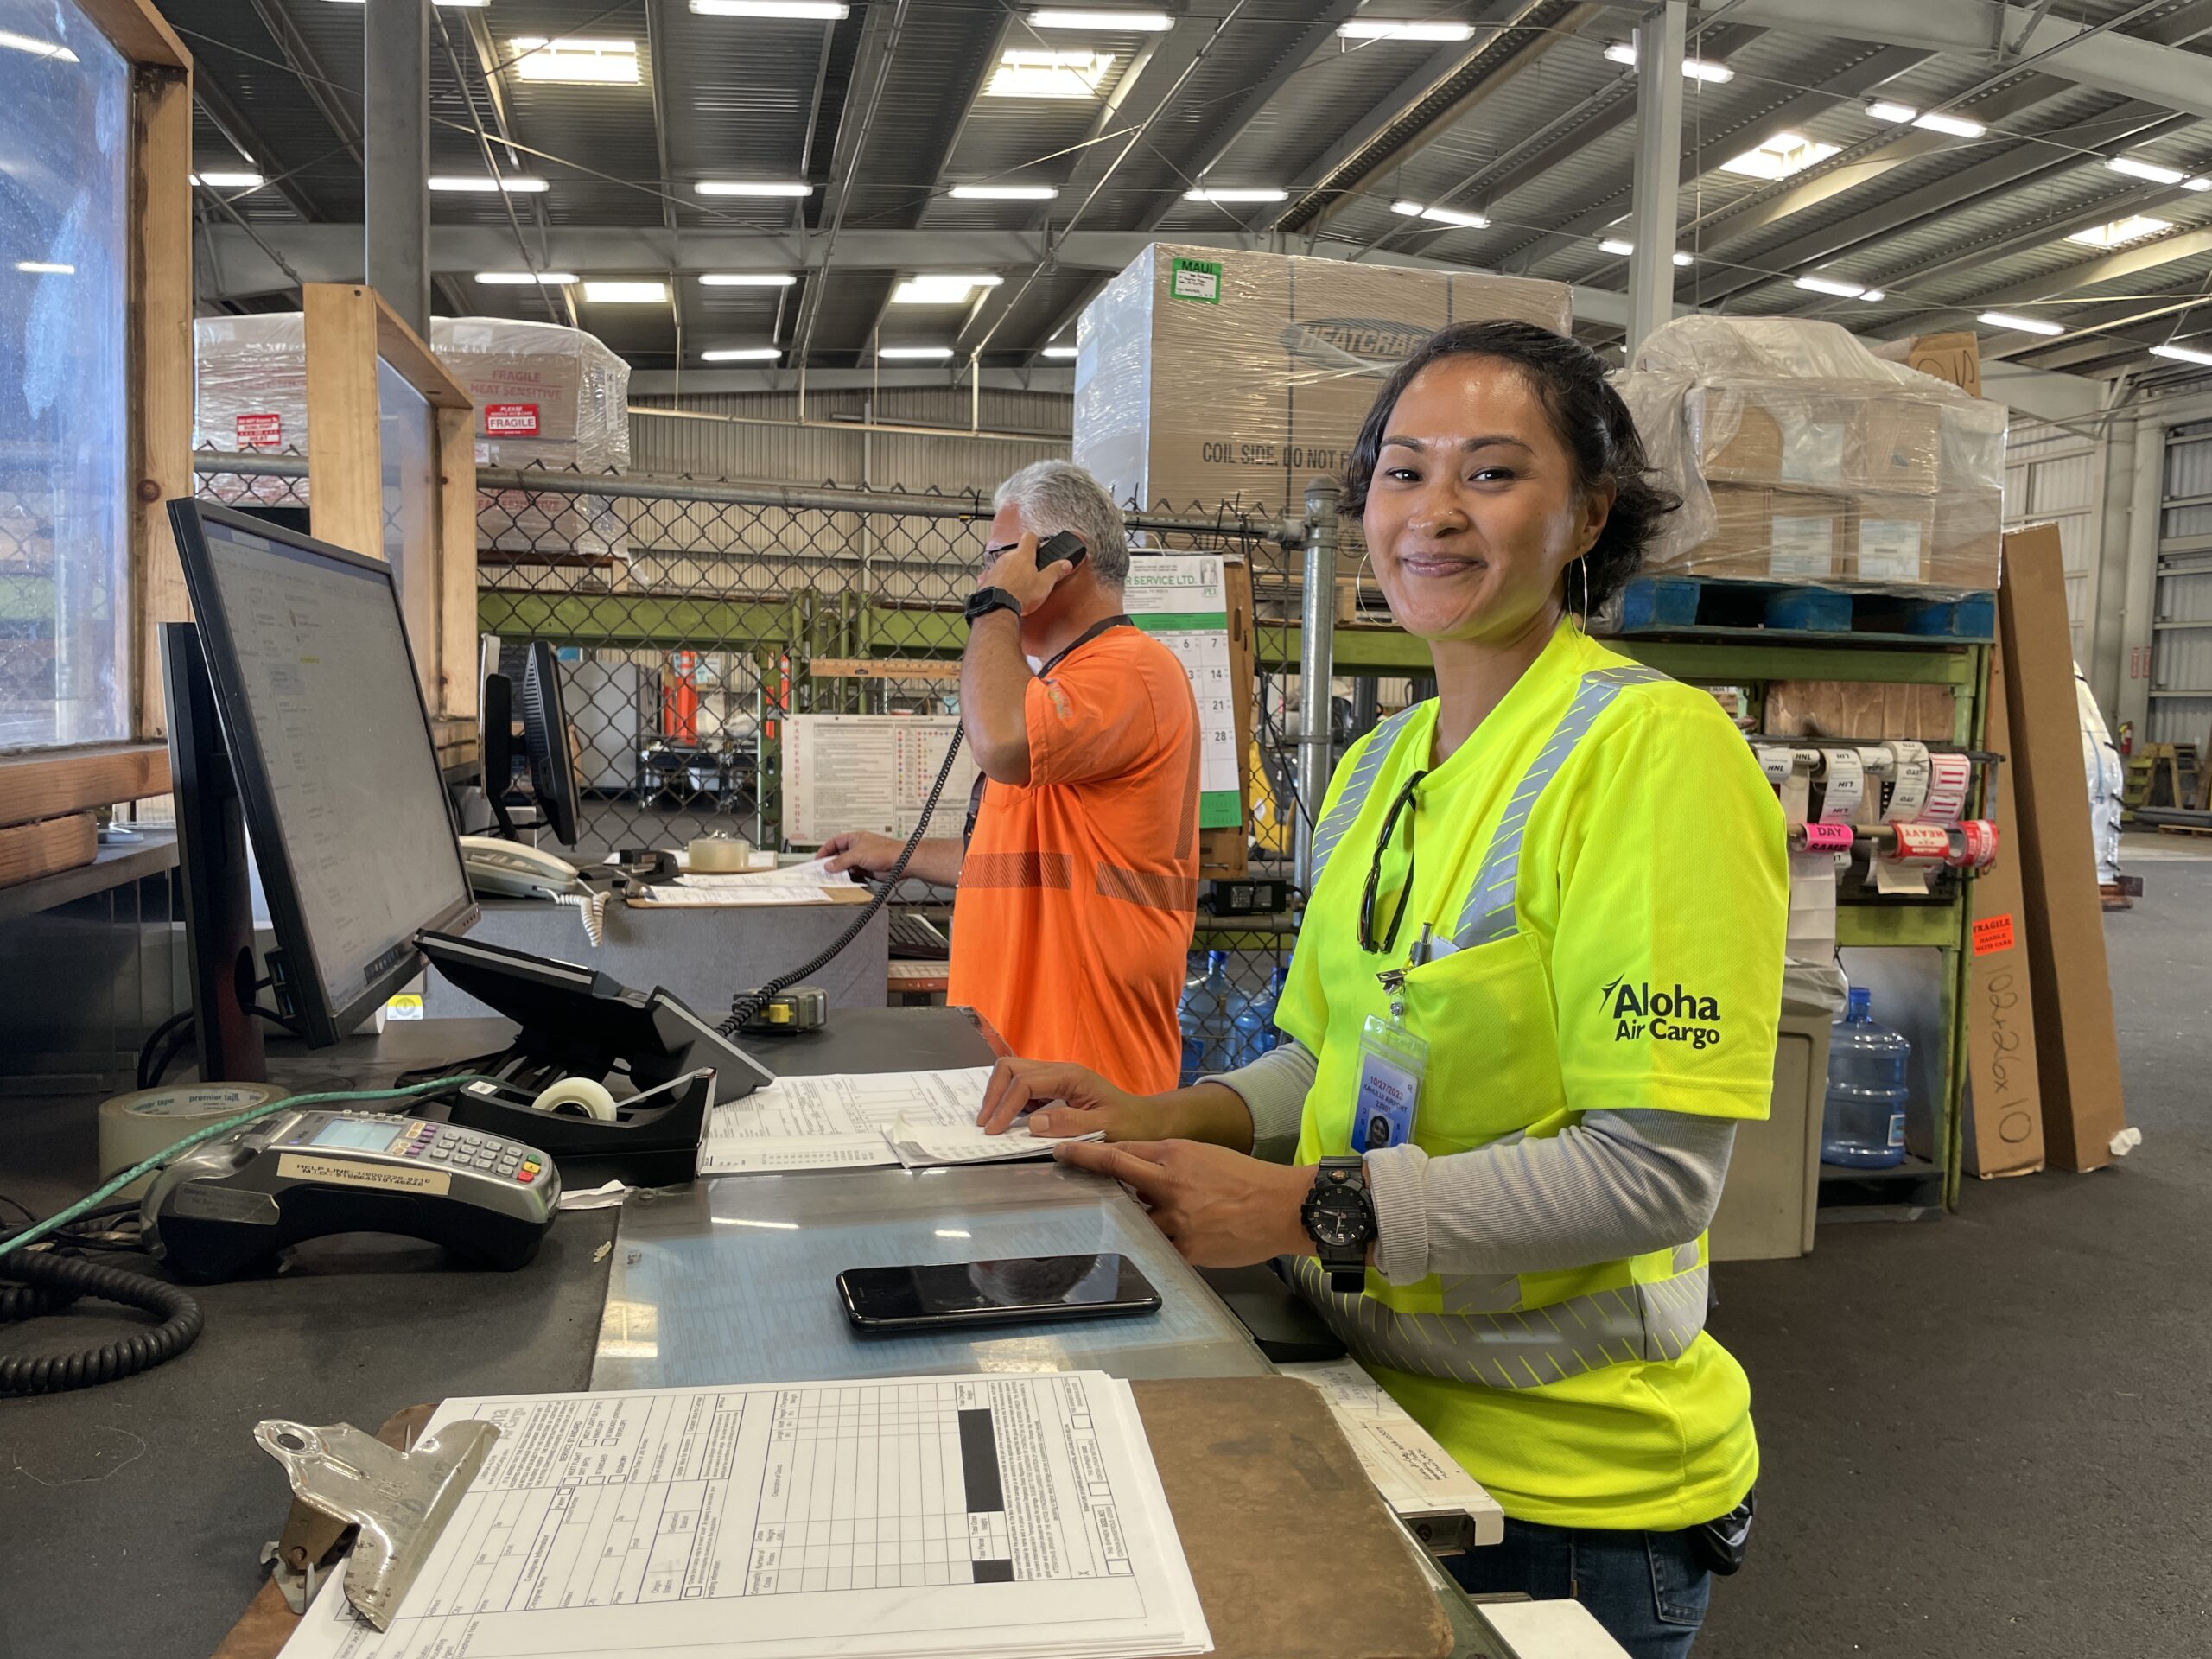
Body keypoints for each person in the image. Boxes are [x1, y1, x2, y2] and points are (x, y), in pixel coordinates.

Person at [975, 323, 1786, 1657]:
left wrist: (1301, 1204)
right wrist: (1160, 1115)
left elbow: (1653, 1174)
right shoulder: (1379, 765)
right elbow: (1330, 1053)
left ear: (1587, 511)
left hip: (1569, 1493)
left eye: (1492, 475)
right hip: (1365, 1406)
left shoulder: (1656, 757)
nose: (1435, 514)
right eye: (1403, 474)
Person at [822, 459, 1200, 1093]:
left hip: (1086, 1073)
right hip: (1023, 1064)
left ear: (1060, 558)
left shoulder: (1132, 670)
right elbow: (1022, 860)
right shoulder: (1057, 688)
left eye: (999, 556)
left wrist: (997, 607)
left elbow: (1000, 742)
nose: (985, 574)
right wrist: (898, 856)